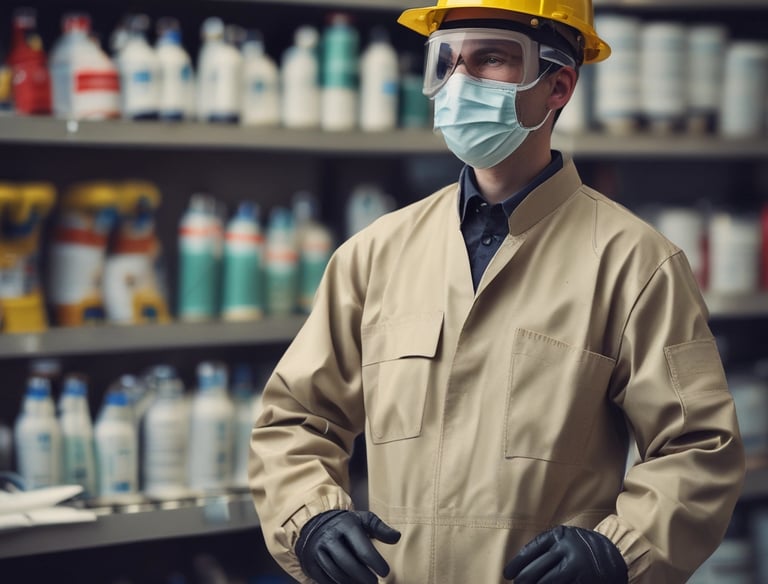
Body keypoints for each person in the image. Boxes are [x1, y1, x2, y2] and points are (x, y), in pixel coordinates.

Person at [249, 1, 746, 582]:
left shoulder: (635, 264)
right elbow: (296, 418)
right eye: (446, 61)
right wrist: (309, 518)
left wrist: (619, 551)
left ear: (558, 85)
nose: (459, 84)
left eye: (491, 59)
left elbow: (699, 447)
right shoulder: (374, 254)